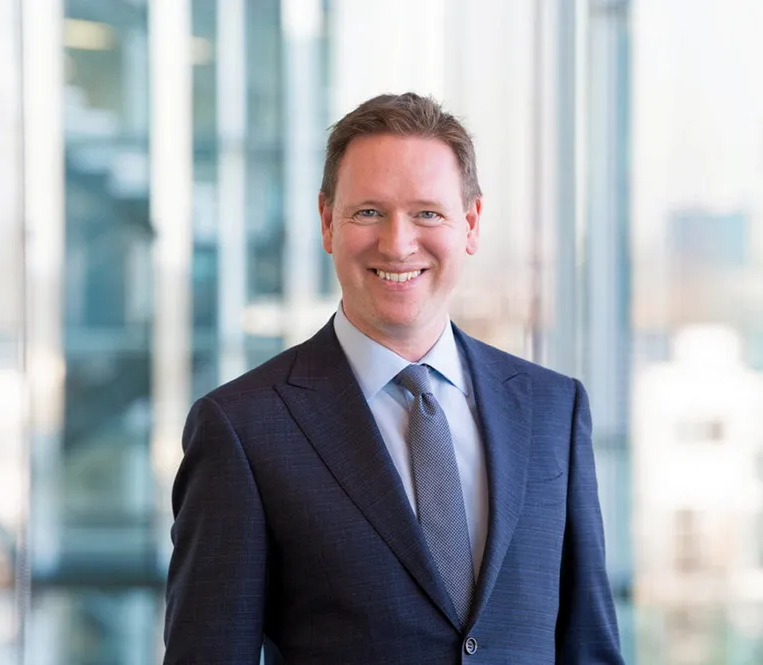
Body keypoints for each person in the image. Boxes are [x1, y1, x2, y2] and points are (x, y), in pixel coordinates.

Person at [164, 92, 625, 664]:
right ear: (328, 222)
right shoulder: (244, 428)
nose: (398, 243)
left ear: (470, 224)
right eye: (368, 212)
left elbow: (589, 647)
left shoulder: (553, 408)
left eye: (427, 213)